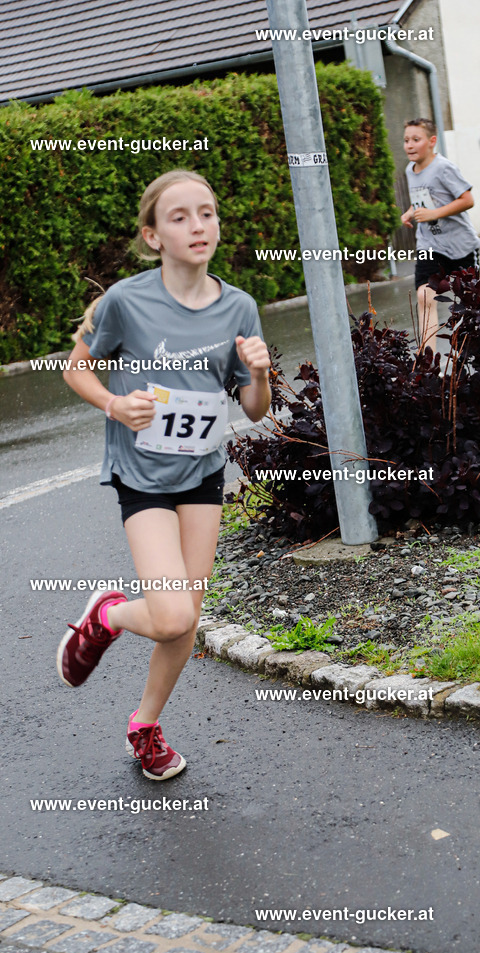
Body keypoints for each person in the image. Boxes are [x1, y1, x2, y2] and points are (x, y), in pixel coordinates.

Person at [58, 169, 271, 780]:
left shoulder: (240, 307)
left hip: (203, 473)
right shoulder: (126, 301)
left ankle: (144, 727)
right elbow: (77, 368)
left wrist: (256, 373)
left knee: (186, 619)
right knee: (172, 614)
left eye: (206, 212)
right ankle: (107, 615)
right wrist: (114, 404)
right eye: (180, 217)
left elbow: (252, 409)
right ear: (153, 236)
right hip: (142, 474)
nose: (198, 226)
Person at [401, 118, 480, 349]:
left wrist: (434, 213)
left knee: (471, 302)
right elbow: (423, 200)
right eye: (406, 140)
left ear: (431, 141)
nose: (410, 145)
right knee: (424, 296)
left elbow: (467, 200)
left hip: (459, 246)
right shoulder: (410, 170)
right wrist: (410, 213)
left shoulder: (443, 168)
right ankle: (428, 363)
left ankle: (474, 355)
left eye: (416, 139)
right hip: (429, 244)